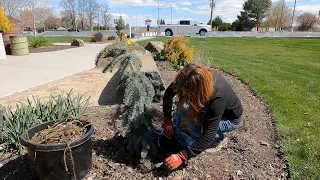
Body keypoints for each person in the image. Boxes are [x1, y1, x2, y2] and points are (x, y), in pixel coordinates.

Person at [158, 63, 243, 171]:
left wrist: (182, 156)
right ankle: (184, 136)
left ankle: (218, 140)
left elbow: (208, 135)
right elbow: (169, 94)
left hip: (229, 119)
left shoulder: (217, 98)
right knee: (184, 109)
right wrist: (167, 119)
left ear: (196, 92)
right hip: (209, 106)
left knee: (195, 126)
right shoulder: (188, 78)